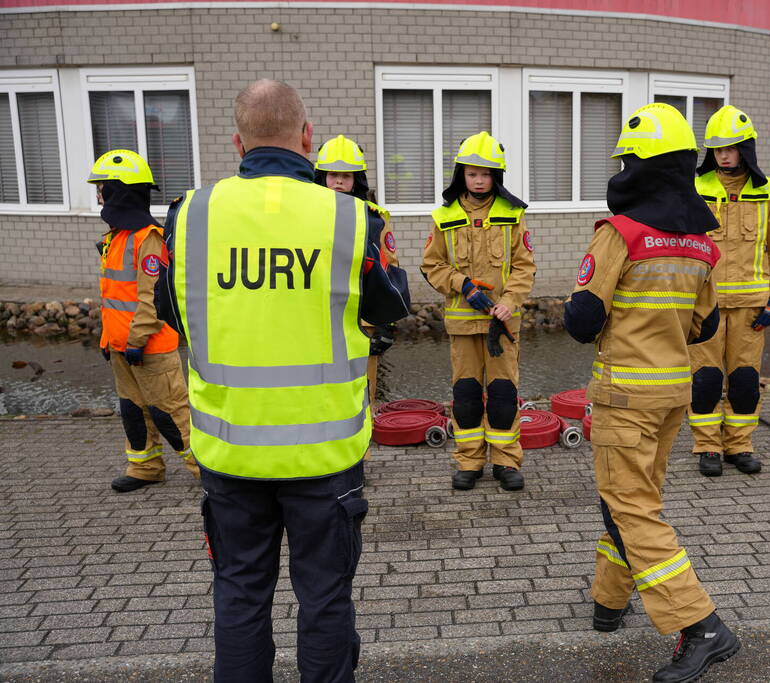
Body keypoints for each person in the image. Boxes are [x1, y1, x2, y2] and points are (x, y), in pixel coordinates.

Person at [159, 79, 410, 682]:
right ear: (308, 138)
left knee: (241, 593)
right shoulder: (353, 219)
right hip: (323, 456)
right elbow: (392, 305)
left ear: (236, 142)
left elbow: (172, 314)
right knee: (325, 599)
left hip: (230, 451)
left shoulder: (190, 215)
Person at [564, 102, 740, 683]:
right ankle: (610, 602)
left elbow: (584, 319)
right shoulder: (699, 243)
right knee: (634, 500)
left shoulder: (620, 233)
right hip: (671, 396)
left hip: (623, 396)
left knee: (631, 508)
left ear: (637, 169)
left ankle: (703, 626)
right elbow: (705, 327)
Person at [420, 131, 536, 492]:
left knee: (502, 394)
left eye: (486, 174)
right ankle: (469, 462)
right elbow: (431, 265)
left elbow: (524, 267)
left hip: (502, 325)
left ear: (496, 176)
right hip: (462, 325)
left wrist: (510, 302)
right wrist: (462, 285)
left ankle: (505, 461)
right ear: (462, 175)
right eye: (472, 174)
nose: (479, 180)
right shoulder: (444, 217)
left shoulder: (513, 215)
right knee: (466, 395)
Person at [87, 149, 199, 493]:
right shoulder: (117, 237)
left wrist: (136, 340)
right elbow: (114, 298)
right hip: (121, 345)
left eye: (102, 186)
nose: (99, 193)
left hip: (148, 346)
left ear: (118, 191)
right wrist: (110, 340)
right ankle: (145, 467)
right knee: (134, 411)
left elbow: (152, 296)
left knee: (171, 411)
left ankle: (206, 469)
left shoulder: (148, 237)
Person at [688, 105, 770, 477]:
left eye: (730, 149)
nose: (724, 156)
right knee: (706, 379)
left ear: (746, 149)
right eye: (717, 150)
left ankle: (740, 445)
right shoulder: (695, 188)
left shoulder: (769, 192)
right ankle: (706, 446)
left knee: (745, 379)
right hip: (706, 307)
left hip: (751, 306)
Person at [314, 134, 403, 404]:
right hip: (316, 317)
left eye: (346, 176)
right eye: (332, 175)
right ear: (321, 177)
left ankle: (363, 445)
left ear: (357, 180)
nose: (339, 181)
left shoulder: (373, 218)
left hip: (360, 320)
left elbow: (389, 268)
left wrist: (386, 323)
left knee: (363, 397)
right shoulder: (306, 214)